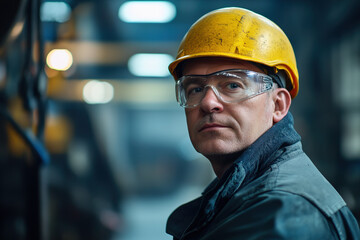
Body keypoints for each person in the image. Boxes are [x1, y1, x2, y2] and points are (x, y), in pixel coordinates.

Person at [166, 7, 360, 240]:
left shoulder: (285, 215)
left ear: (278, 105)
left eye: (232, 85)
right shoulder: (246, 200)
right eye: (195, 89)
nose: (208, 103)